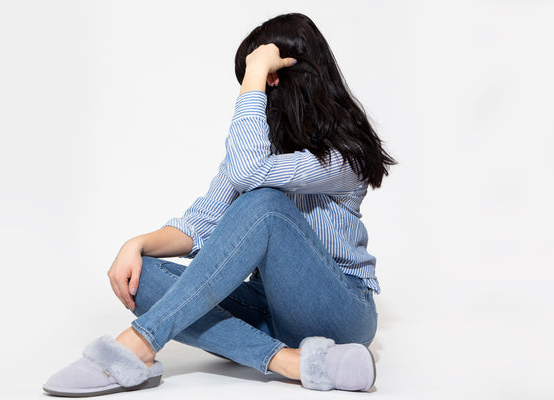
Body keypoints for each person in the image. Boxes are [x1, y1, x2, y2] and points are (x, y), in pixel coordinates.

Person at [43, 12, 396, 396]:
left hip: (341, 310)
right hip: (272, 312)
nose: (254, 94)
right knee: (140, 278)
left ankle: (139, 344)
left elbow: (249, 177)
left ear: (274, 78)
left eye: (257, 81)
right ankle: (292, 362)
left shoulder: (345, 154)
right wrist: (136, 244)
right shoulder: (256, 154)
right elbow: (201, 223)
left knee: (264, 205)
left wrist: (255, 71)